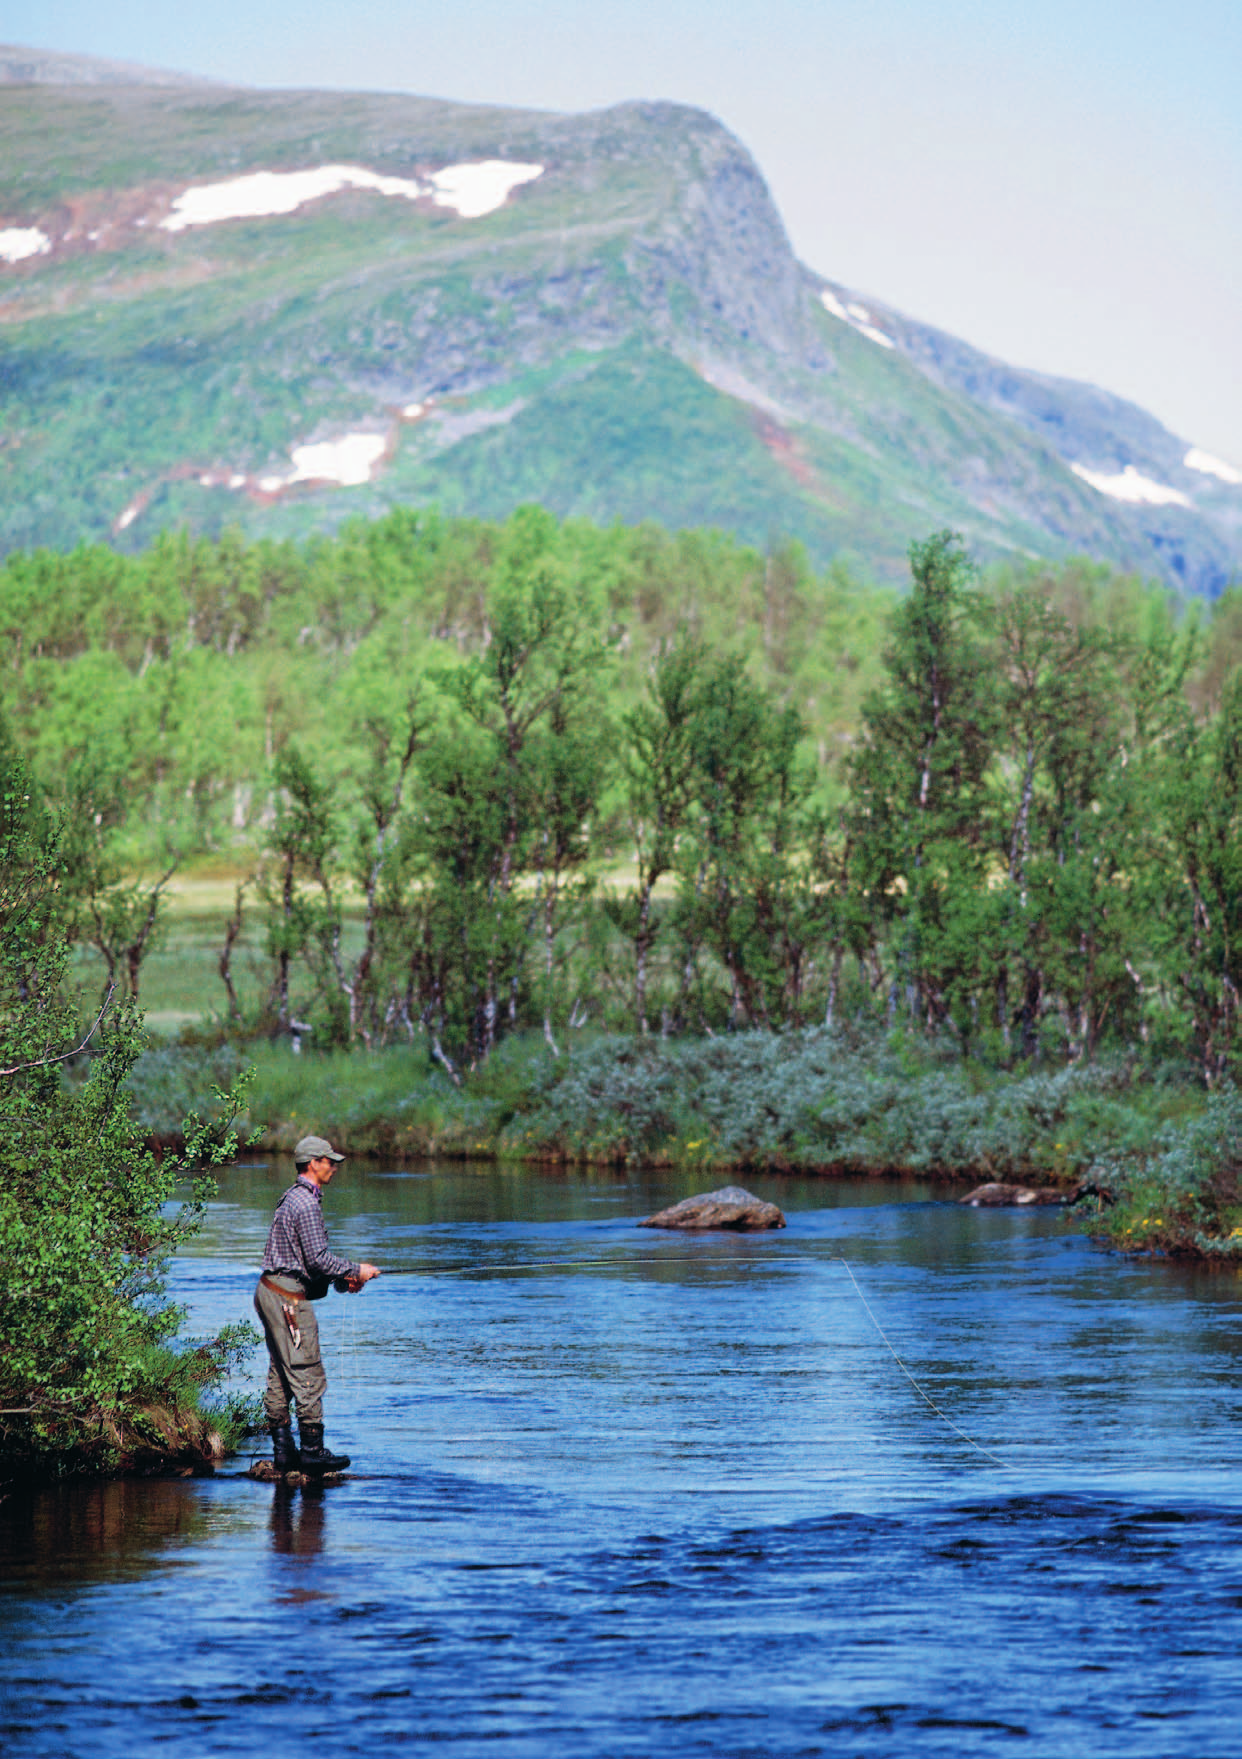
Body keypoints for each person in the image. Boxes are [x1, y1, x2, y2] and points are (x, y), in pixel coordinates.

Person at [254, 1134, 380, 1474]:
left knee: (282, 1371)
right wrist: (358, 1270)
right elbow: (318, 1259)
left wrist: (342, 1281)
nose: (334, 1167)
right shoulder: (306, 1204)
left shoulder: (291, 1198)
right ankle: (312, 1451)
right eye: (329, 1161)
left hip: (272, 1290)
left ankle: (284, 1453)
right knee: (307, 1368)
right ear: (313, 1163)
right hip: (287, 1298)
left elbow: (305, 1263)